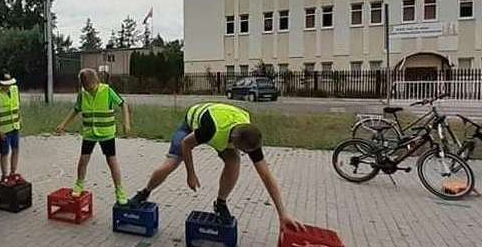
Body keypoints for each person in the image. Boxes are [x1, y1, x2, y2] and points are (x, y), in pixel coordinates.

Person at [128, 102, 302, 231]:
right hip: (192, 125)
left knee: (234, 162)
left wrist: (283, 214)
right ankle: (144, 192)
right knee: (170, 164)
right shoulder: (211, 130)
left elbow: (266, 176)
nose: (244, 153)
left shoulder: (249, 134)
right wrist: (191, 174)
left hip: (223, 123)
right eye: (241, 149)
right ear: (233, 141)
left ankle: (220, 203)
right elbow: (186, 145)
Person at [55, 68, 132, 205]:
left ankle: (120, 191)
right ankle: (79, 184)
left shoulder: (107, 91)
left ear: (96, 81)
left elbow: (123, 104)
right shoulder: (82, 94)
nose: (89, 90)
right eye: (86, 88)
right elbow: (76, 110)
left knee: (112, 162)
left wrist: (126, 123)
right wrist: (63, 124)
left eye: (91, 87)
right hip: (89, 134)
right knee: (83, 160)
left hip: (106, 134)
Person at [0, 73, 21, 178]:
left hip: (15, 127)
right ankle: (4, 175)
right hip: (4, 130)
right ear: (1, 84)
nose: (8, 86)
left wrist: (20, 118)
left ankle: (13, 172)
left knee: (16, 149)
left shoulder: (15, 90)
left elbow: (17, 106)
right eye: (5, 84)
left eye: (9, 84)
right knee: (4, 152)